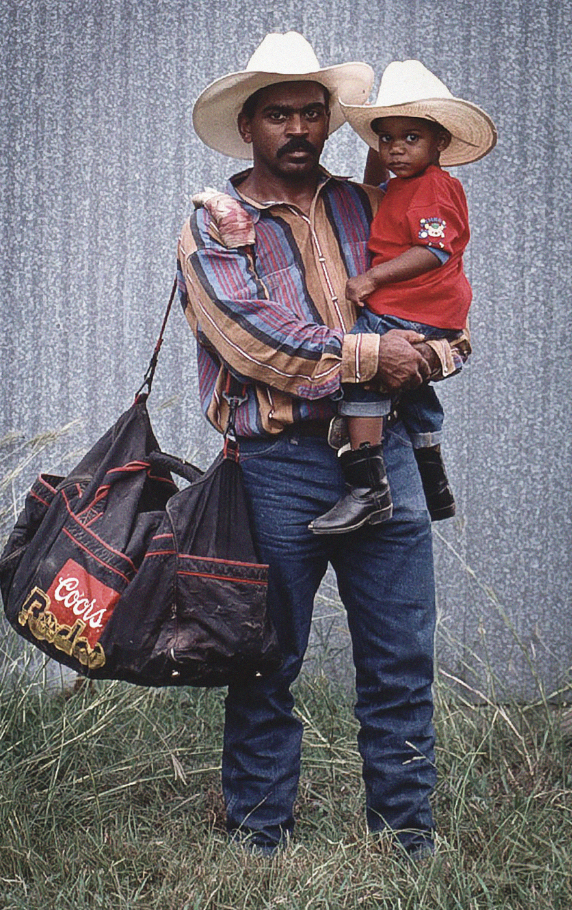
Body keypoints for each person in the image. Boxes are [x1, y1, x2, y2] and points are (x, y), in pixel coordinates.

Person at [177, 32, 470, 859]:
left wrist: (436, 352)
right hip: (277, 466)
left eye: (313, 112)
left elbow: (441, 314)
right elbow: (251, 338)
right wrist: (381, 354)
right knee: (265, 658)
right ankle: (259, 836)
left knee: (401, 657)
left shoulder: (369, 205)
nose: (299, 127)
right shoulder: (216, 226)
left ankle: (406, 836)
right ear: (250, 126)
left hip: (389, 453)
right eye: (280, 114)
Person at [310, 61, 497, 534]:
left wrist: (371, 280)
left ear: (441, 144)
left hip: (410, 308)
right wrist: (380, 149)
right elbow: (377, 185)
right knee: (414, 389)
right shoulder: (408, 183)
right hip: (427, 309)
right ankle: (433, 480)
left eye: (410, 138)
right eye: (386, 138)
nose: (395, 149)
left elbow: (433, 250)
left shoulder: (431, 190)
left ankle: (368, 486)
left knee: (366, 372)